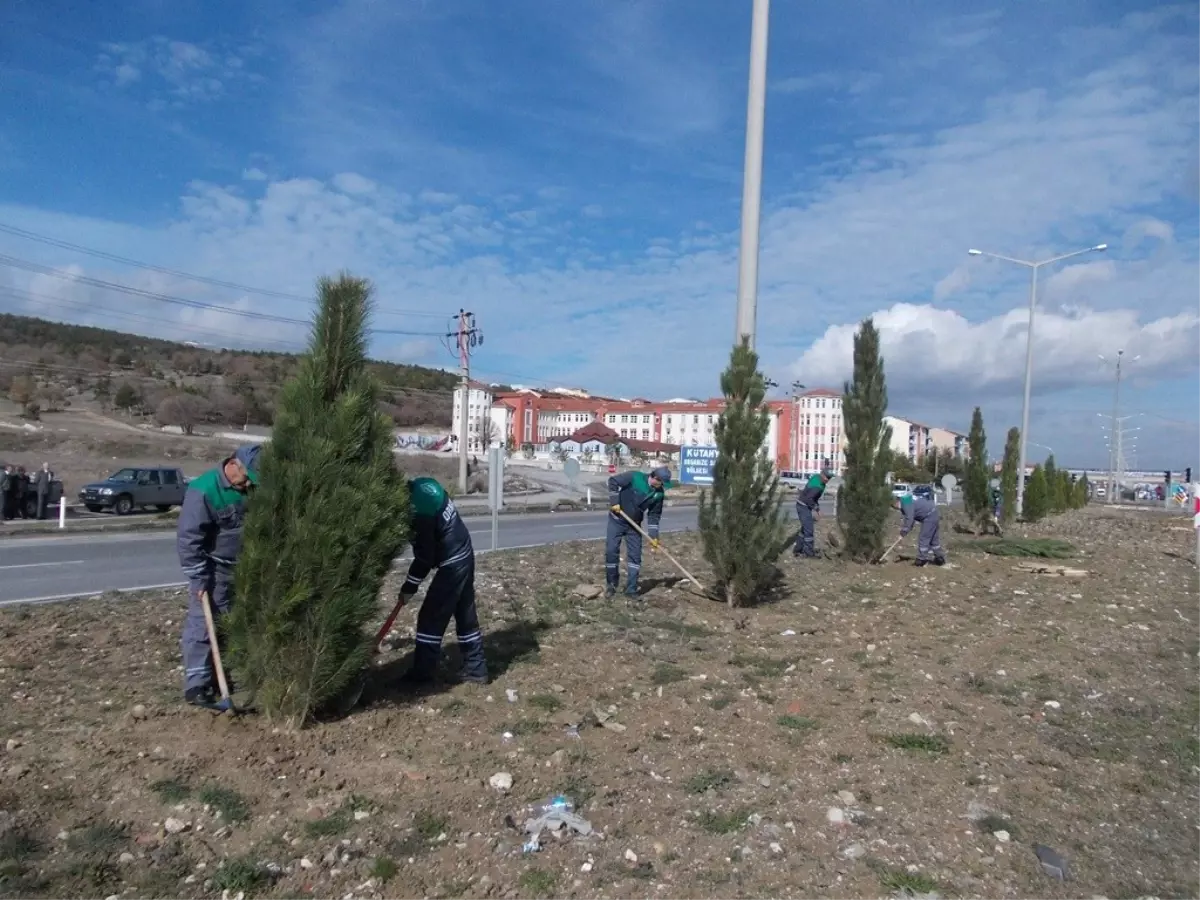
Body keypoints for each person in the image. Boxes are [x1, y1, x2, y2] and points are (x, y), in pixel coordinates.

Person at [176, 444, 262, 707]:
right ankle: (197, 685)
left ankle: (221, 678)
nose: (248, 484)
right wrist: (198, 578)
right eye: (247, 477)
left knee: (234, 626)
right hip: (214, 570)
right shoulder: (203, 490)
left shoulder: (250, 487)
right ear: (234, 464)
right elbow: (189, 539)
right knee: (204, 624)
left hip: (245, 568)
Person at [397, 476, 488, 685]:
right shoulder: (425, 484)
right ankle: (476, 668)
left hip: (453, 560)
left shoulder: (419, 511)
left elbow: (425, 558)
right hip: (464, 551)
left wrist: (409, 586)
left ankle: (422, 674)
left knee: (431, 616)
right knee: (465, 614)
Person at [605, 465, 670, 598]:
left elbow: (654, 516)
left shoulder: (659, 494)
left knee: (635, 557)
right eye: (661, 482)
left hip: (634, 526)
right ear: (655, 478)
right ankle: (611, 586)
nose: (662, 486)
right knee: (611, 551)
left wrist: (653, 537)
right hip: (617, 520)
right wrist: (614, 501)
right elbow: (613, 481)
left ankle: (631, 590)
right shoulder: (634, 477)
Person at [894, 493, 946, 566]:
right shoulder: (907, 499)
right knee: (934, 539)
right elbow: (911, 520)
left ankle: (921, 560)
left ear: (896, 502)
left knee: (924, 537)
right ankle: (940, 558)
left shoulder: (905, 504)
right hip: (934, 513)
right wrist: (905, 532)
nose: (896, 509)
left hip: (929, 516)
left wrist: (903, 533)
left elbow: (909, 519)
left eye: (894, 507)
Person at [794, 467, 833, 558]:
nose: (828, 479)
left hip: (802, 504)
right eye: (827, 477)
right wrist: (817, 509)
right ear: (822, 474)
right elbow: (809, 499)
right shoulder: (817, 486)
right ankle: (808, 552)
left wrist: (816, 507)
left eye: (830, 478)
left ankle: (798, 549)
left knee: (805, 529)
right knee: (809, 530)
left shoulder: (816, 477)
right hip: (803, 506)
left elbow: (812, 498)